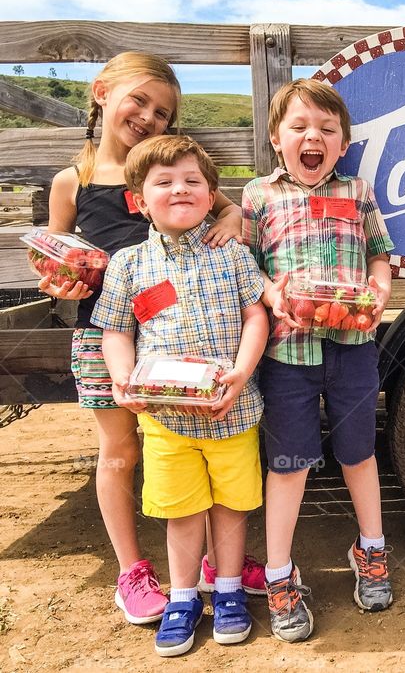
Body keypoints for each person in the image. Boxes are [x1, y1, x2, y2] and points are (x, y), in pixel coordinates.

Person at [39, 52, 265, 625]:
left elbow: (226, 206)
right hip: (105, 330)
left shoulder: (173, 174)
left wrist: (233, 218)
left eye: (162, 112)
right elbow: (55, 254)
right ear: (101, 93)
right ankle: (132, 570)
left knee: (201, 442)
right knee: (124, 451)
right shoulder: (74, 181)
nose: (147, 116)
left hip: (187, 334)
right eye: (138, 100)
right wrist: (60, 280)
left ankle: (220, 564)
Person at [95, 135, 268, 656]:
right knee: (183, 509)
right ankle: (184, 596)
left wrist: (240, 373)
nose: (180, 190)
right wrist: (122, 378)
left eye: (193, 181)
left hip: (231, 412)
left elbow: (255, 315)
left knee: (232, 506)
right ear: (140, 200)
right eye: (164, 182)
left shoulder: (234, 255)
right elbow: (115, 330)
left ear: (211, 193)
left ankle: (230, 590)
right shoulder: (128, 264)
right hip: (167, 420)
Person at [242, 79, 395, 642]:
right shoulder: (259, 196)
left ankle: (372, 548)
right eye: (300, 128)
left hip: (352, 347)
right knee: (289, 463)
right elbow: (249, 264)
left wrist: (378, 294)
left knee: (359, 453)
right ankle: (280, 573)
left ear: (344, 142)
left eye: (327, 130)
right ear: (277, 140)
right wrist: (271, 293)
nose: (314, 137)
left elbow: (380, 255)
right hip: (288, 353)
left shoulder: (358, 191)